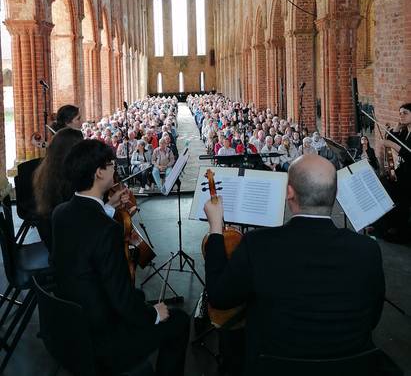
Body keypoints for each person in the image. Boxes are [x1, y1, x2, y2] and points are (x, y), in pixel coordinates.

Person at [203, 155, 385, 375]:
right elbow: (372, 317)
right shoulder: (367, 249)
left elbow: (219, 298)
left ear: (289, 192)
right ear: (335, 193)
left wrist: (216, 228)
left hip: (274, 367)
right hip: (352, 367)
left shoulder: (258, 244)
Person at [52, 140, 189, 375]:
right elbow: (122, 300)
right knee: (179, 321)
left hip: (71, 327)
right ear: (99, 172)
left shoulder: (61, 212)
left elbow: (87, 232)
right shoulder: (107, 230)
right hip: (103, 339)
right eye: (110, 164)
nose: (114, 168)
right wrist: (153, 314)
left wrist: (108, 207)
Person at [33, 128, 127, 251]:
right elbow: (85, 229)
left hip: (57, 245)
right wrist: (108, 207)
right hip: (71, 248)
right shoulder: (69, 185)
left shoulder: (49, 176)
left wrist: (109, 204)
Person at [381, 103, 411, 241]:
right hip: (403, 171)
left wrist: (392, 144)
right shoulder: (405, 131)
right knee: (384, 183)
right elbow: (390, 140)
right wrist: (397, 128)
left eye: (405, 113)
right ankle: (387, 224)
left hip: (409, 174)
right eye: (400, 113)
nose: (401, 115)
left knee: (398, 192)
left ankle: (399, 230)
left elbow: (408, 154)